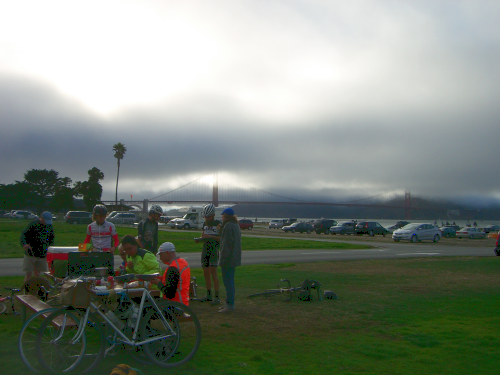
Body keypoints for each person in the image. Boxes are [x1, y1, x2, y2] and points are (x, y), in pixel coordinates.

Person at [218, 207, 242, 313]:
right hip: (234, 258)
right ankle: (229, 303)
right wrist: (220, 229)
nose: (222, 218)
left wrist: (222, 259)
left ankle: (230, 305)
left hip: (228, 259)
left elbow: (226, 244)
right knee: (230, 282)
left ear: (226, 216)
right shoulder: (235, 225)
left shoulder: (228, 226)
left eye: (222, 216)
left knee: (228, 283)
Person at [196, 203, 221, 305]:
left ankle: (217, 296)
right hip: (205, 250)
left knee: (213, 273)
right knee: (206, 273)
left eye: (208, 217)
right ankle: (208, 295)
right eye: (205, 217)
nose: (206, 219)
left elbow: (221, 238)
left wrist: (210, 236)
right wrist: (200, 239)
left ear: (213, 215)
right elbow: (203, 235)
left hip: (214, 250)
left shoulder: (218, 224)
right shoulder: (204, 224)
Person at [20, 211, 54, 283]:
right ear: (41, 218)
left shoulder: (49, 226)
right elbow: (24, 235)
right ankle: (26, 292)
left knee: (38, 274)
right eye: (45, 220)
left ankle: (36, 291)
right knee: (28, 274)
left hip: (42, 254)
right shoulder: (33, 224)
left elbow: (51, 238)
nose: (46, 222)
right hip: (31, 253)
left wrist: (50, 248)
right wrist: (24, 244)